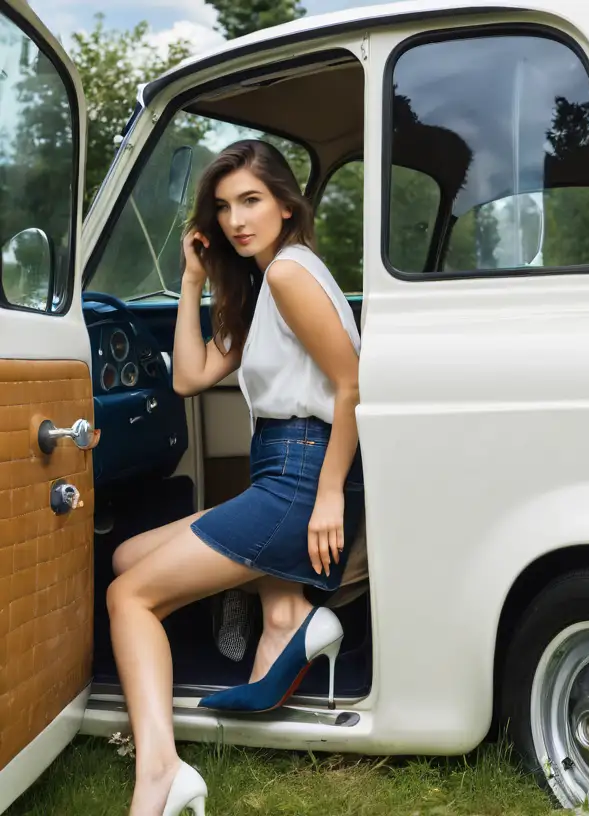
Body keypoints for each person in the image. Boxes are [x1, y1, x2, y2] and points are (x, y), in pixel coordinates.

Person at [106, 138, 365, 816]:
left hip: (301, 474)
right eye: (223, 207)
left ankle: (160, 773)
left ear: (286, 203)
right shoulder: (268, 281)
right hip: (279, 468)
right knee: (127, 555)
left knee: (129, 597)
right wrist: (193, 280)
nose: (235, 220)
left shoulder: (288, 275)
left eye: (251, 201)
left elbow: (352, 385)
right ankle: (285, 617)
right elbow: (190, 378)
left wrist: (330, 493)